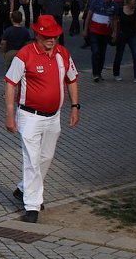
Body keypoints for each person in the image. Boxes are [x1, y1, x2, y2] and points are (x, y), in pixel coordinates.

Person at [5, 15, 80, 224]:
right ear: (37, 35)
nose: (51, 40)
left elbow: (72, 79)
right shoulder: (24, 55)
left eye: (54, 36)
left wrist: (75, 107)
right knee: (32, 159)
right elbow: (10, 83)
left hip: (53, 117)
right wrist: (10, 114)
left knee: (46, 157)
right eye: (47, 36)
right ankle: (32, 205)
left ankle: (23, 189)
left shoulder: (63, 54)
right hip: (29, 116)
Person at [83, 0, 118, 82]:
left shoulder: (114, 6)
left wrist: (114, 33)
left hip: (105, 33)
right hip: (94, 32)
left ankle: (99, 72)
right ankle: (95, 73)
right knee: (95, 51)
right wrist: (85, 29)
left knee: (102, 53)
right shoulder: (96, 2)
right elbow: (89, 16)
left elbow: (114, 20)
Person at [113, 0, 136, 83]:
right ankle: (116, 74)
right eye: (134, 1)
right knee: (119, 54)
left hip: (132, 35)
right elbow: (115, 21)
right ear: (129, 1)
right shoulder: (120, 10)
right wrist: (114, 33)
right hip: (122, 34)